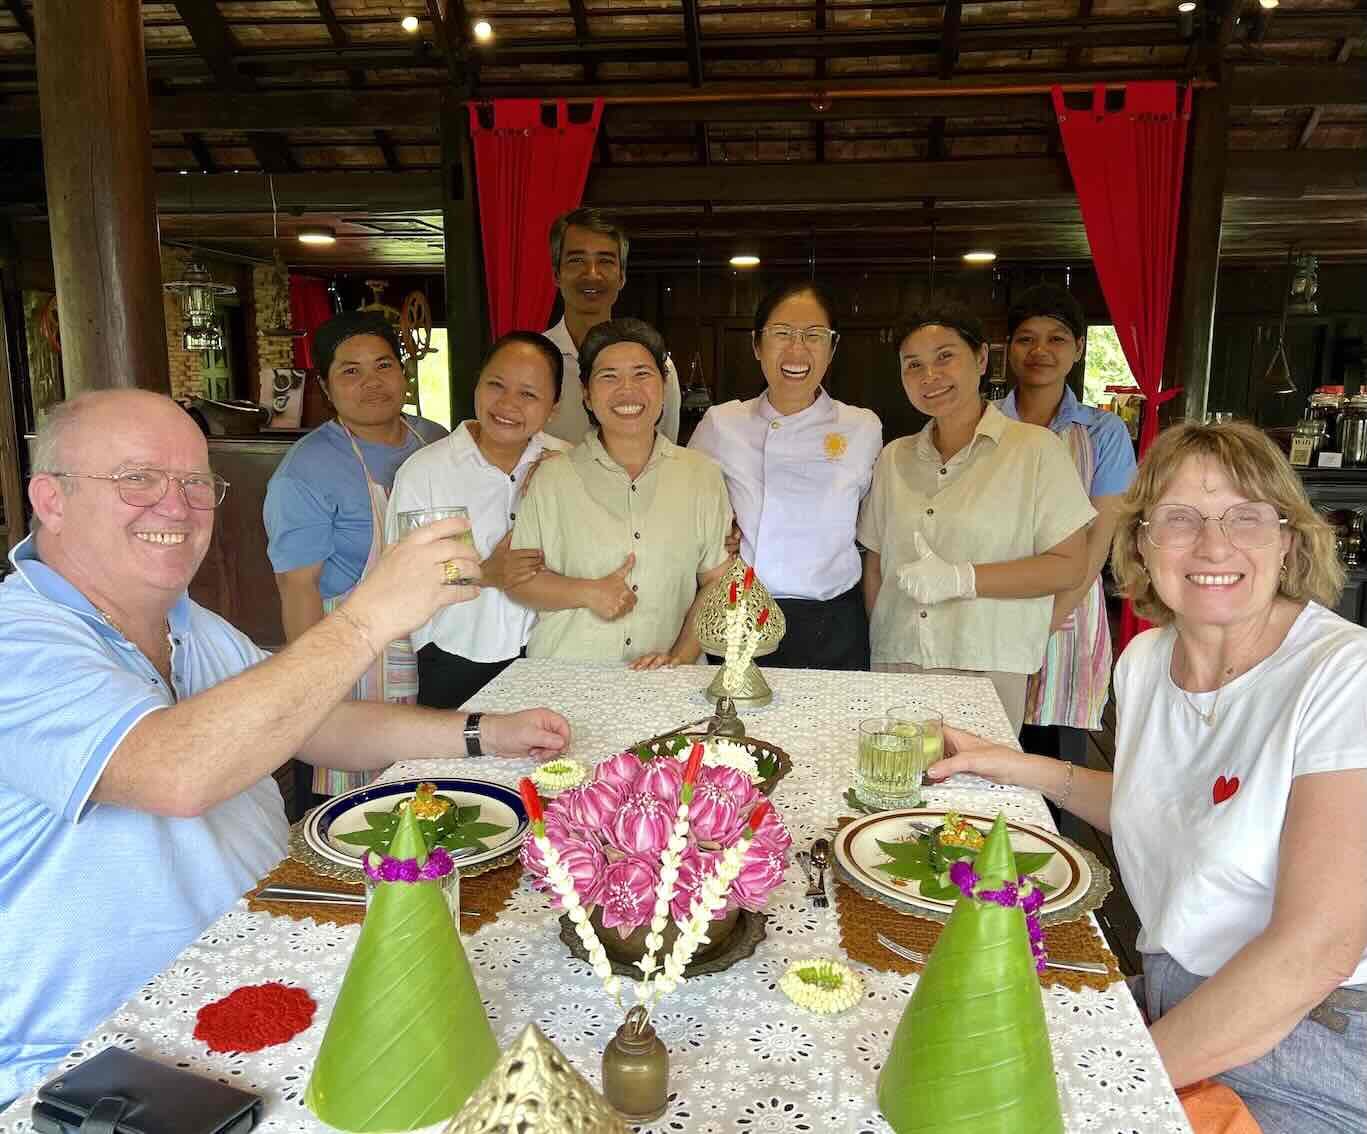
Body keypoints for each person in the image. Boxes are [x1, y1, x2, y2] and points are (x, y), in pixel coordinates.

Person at [0, 390, 570, 1101]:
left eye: (195, 483)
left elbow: (312, 723)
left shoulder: (189, 621)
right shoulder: (17, 640)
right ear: (50, 500)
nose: (175, 506)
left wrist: (484, 733)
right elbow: (175, 774)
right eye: (137, 479)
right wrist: (369, 618)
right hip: (98, 1055)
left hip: (258, 971)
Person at [926, 422, 1366, 1134]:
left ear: (1288, 539)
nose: (1213, 545)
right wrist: (1003, 762)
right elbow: (1172, 809)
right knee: (947, 1041)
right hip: (1172, 995)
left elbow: (1314, 948)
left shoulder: (1344, 675)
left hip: (1307, 1038)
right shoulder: (1144, 662)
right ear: (1139, 544)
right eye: (1179, 519)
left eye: (1245, 517)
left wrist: (1112, 1083)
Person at [857, 304, 1095, 733]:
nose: (930, 375)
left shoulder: (1035, 450)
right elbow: (876, 561)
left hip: (986, 662)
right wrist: (883, 635)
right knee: (891, 787)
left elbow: (1070, 565)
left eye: (945, 356)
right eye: (914, 365)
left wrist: (963, 579)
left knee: (978, 796)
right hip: (898, 660)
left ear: (982, 359)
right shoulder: (895, 457)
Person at [264, 310, 448, 802]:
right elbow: (297, 587)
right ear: (325, 386)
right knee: (362, 804)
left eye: (383, 365)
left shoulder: (434, 439)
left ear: (404, 373)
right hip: (359, 652)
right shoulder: (306, 470)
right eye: (351, 371)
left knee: (430, 783)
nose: (372, 383)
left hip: (433, 640)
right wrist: (318, 685)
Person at [507, 318, 733, 667]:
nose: (627, 390)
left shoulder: (701, 475)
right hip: (568, 678)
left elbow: (716, 582)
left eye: (642, 374)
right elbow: (519, 582)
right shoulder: (552, 478)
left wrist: (679, 660)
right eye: (609, 376)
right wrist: (586, 592)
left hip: (669, 681)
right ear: (586, 394)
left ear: (664, 384)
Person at [689, 281, 881, 670]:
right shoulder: (722, 423)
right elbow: (686, 501)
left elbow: (874, 520)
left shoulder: (862, 427)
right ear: (757, 345)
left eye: (813, 335)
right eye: (781, 334)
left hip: (834, 621)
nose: (797, 349)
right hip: (740, 615)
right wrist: (717, 533)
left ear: (832, 348)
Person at [386, 332, 571, 709]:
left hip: (552, 655)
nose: (507, 404)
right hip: (453, 657)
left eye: (528, 394)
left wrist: (564, 485)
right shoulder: (426, 472)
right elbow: (402, 576)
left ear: (553, 407)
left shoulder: (569, 464)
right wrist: (485, 573)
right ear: (478, 383)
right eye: (496, 385)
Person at [997, 283, 1137, 763]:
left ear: (1078, 348)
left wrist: (1048, 619)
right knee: (987, 741)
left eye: (1056, 339)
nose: (1040, 351)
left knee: (1056, 763)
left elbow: (1099, 538)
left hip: (1069, 611)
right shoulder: (984, 422)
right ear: (1008, 350)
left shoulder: (1103, 432)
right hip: (992, 601)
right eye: (1026, 338)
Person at [543, 208, 681, 445]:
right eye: (577, 260)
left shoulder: (655, 366)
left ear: (622, 277)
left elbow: (664, 451)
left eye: (605, 261)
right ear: (557, 274)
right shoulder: (537, 362)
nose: (592, 274)